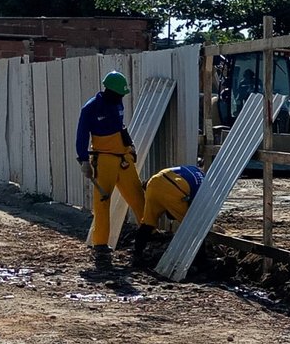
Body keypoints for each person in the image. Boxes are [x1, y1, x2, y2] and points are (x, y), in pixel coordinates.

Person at [76, 70, 145, 271]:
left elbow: (120, 127)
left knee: (138, 198)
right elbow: (82, 135)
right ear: (109, 91)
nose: (121, 98)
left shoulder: (117, 103)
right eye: (119, 95)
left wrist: (130, 146)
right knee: (102, 203)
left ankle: (149, 238)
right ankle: (101, 247)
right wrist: (84, 160)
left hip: (123, 159)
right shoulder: (90, 109)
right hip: (104, 160)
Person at [131, 163, 204, 267]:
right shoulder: (205, 186)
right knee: (193, 227)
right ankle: (201, 261)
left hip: (154, 182)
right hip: (174, 188)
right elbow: (197, 209)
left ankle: (137, 255)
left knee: (147, 223)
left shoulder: (193, 170)